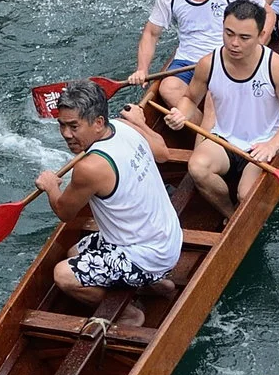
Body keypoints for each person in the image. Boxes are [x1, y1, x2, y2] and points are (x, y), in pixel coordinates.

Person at [41, 79, 182, 329]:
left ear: (97, 122)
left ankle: (129, 314)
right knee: (75, 252)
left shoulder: (90, 167)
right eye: (61, 125)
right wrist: (141, 123)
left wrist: (52, 186)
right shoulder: (124, 126)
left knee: (63, 275)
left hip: (149, 254)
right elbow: (163, 153)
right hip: (169, 237)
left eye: (74, 126)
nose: (66, 134)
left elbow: (64, 212)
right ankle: (156, 285)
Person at [164, 0, 279, 209]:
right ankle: (229, 215)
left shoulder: (274, 66)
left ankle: (240, 209)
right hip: (224, 140)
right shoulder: (208, 64)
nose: (234, 43)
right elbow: (190, 99)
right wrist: (181, 114)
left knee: (246, 195)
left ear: (261, 36)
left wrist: (272, 145)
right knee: (197, 167)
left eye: (244, 37)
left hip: (262, 143)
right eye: (229, 33)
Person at [127, 0, 266, 140]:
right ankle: (217, 138)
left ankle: (215, 141)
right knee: (168, 88)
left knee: (214, 94)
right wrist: (142, 69)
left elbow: (267, 14)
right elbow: (151, 33)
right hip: (187, 60)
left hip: (225, 58)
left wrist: (257, 49)